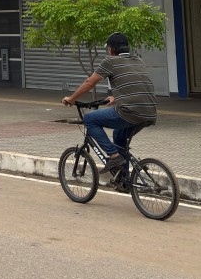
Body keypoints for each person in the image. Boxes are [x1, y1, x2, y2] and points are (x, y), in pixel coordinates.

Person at [62, 31, 158, 174]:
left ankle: (113, 156)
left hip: (129, 112)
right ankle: (123, 178)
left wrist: (72, 98)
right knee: (119, 136)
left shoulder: (110, 61)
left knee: (89, 119)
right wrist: (116, 97)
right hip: (150, 113)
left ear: (111, 49)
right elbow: (134, 84)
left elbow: (89, 83)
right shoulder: (138, 60)